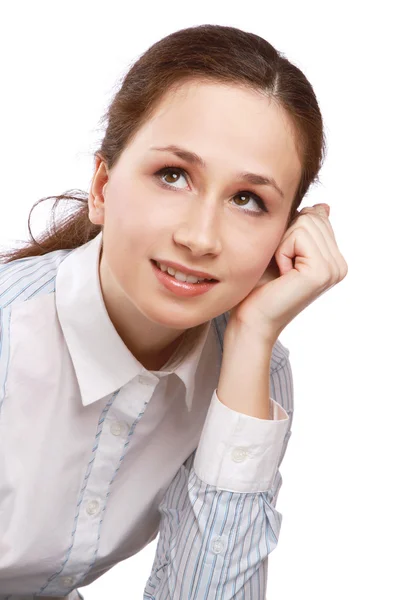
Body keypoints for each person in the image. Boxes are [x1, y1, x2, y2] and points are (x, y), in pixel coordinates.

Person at [0, 23, 347, 599]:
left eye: (248, 200)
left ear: (286, 233)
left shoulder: (249, 372)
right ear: (103, 187)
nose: (200, 236)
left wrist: (253, 336)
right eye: (173, 175)